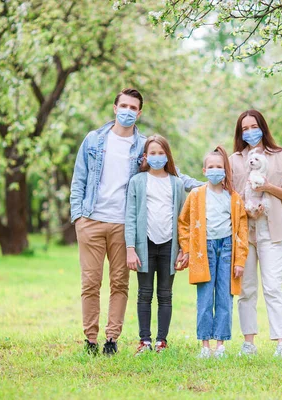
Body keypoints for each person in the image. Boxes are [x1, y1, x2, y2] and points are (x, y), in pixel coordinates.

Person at [69, 88, 201, 356]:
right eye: (124, 106)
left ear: (139, 112)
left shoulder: (142, 146)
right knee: (90, 283)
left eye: (133, 108)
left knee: (119, 283)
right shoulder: (93, 140)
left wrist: (207, 186)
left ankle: (111, 340)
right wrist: (78, 218)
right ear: (115, 108)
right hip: (91, 220)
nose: (128, 111)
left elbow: (170, 173)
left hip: (123, 226)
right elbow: (78, 179)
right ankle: (90, 340)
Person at [229, 110, 282, 358]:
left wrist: (268, 188)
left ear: (262, 127)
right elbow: (229, 196)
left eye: (254, 126)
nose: (250, 131)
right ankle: (248, 343)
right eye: (245, 128)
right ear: (240, 132)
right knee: (247, 289)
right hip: (243, 233)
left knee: (273, 287)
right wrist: (247, 208)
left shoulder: (280, 156)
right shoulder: (234, 159)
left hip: (272, 230)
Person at [178, 146, 249, 358]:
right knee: (205, 298)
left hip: (227, 248)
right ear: (204, 170)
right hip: (204, 250)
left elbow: (242, 230)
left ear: (225, 171)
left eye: (219, 167)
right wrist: (187, 249)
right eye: (211, 167)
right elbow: (184, 223)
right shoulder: (197, 195)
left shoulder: (234, 197)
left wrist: (240, 260)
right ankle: (205, 346)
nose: (215, 170)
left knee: (225, 298)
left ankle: (220, 346)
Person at [125, 135, 187, 355]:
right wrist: (130, 248)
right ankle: (145, 340)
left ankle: (162, 340)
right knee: (144, 292)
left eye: (161, 153)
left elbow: (182, 217)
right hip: (145, 244)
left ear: (167, 156)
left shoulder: (177, 183)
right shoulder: (138, 181)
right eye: (152, 153)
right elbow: (131, 215)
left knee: (165, 294)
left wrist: (184, 248)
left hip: (169, 245)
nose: (157, 157)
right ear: (145, 156)